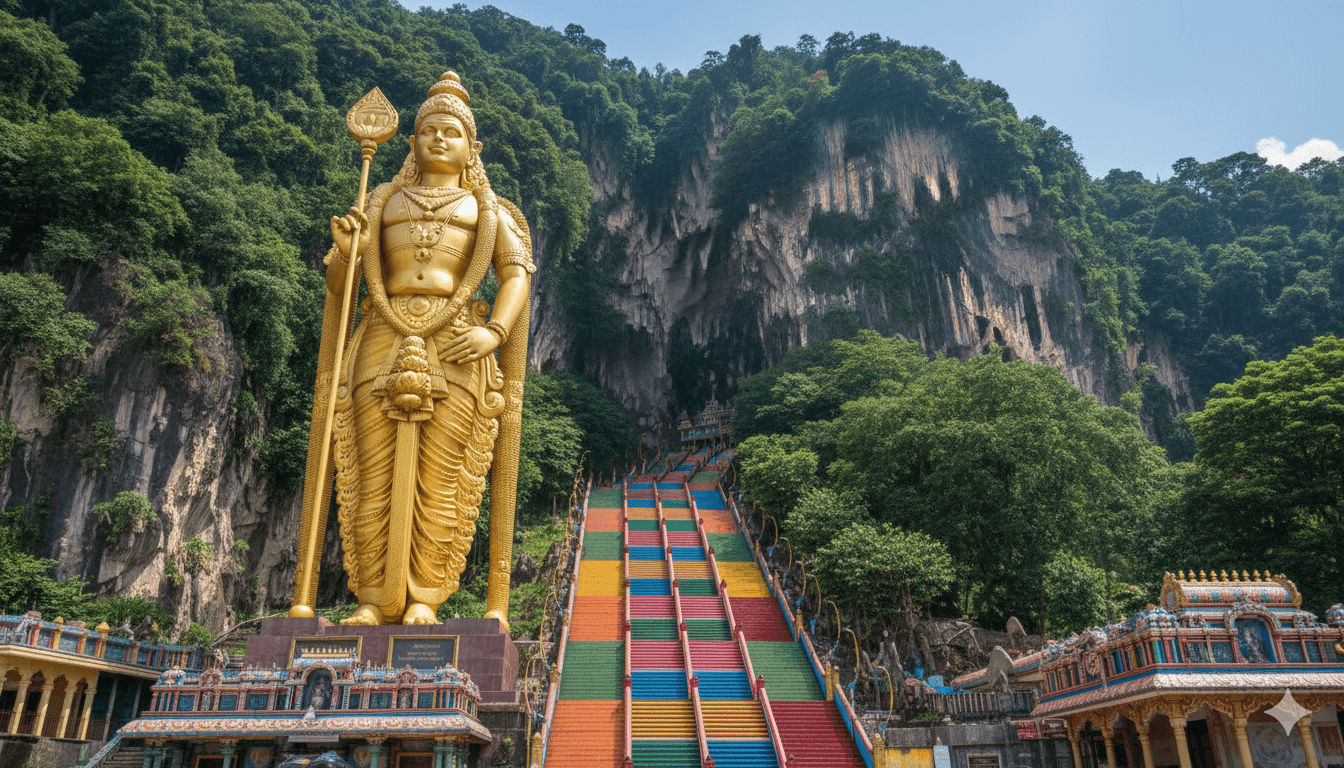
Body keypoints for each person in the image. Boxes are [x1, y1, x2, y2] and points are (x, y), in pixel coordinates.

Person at [324, 72, 534, 626]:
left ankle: (424, 598)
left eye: (451, 132)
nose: (439, 139)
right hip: (383, 334)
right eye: (428, 131)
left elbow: (515, 275)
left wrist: (496, 331)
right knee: (372, 472)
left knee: (442, 476)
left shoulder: (486, 209)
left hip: (457, 340)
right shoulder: (383, 199)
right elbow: (341, 285)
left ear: (472, 147)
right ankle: (373, 596)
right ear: (412, 143)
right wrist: (346, 252)